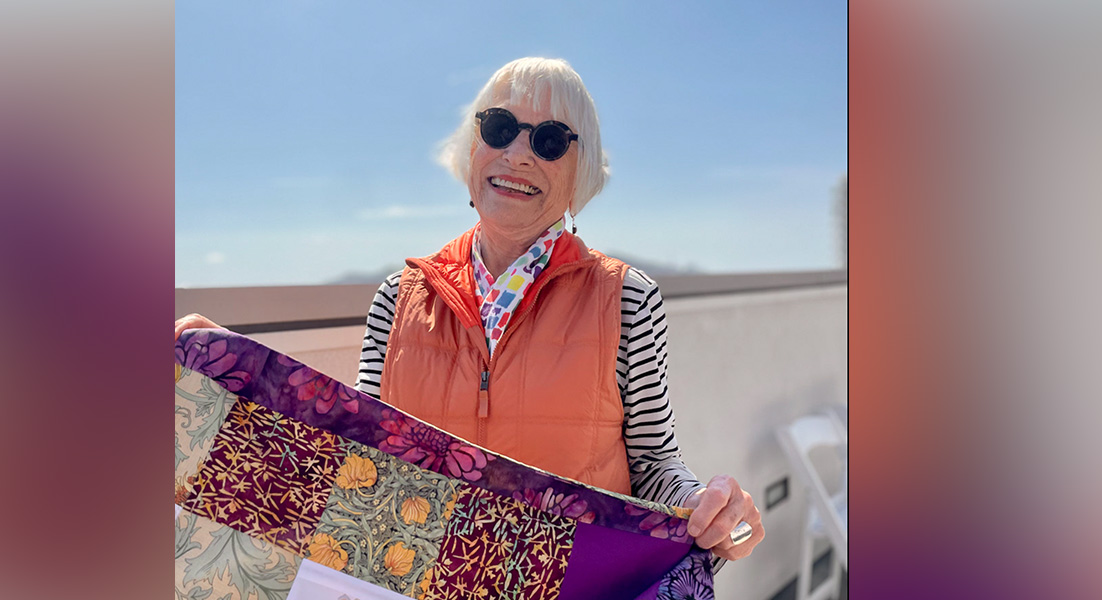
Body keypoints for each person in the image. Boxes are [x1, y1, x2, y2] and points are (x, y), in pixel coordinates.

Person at [175, 57, 763, 562]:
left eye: (550, 139)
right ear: (473, 146)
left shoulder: (628, 298)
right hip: (418, 577)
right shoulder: (395, 297)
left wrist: (715, 511)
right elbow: (355, 451)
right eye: (500, 127)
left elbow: (655, 466)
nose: (518, 154)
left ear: (579, 170)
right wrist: (240, 376)